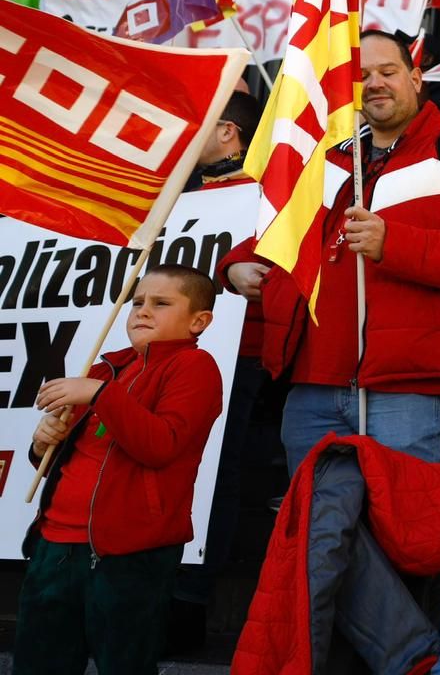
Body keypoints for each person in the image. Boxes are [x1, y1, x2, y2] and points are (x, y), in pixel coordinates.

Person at [223, 29, 440, 674]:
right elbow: (272, 233)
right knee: (323, 540)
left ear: (418, 78)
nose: (376, 84)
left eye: (389, 71)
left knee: (404, 540)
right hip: (311, 380)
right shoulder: (326, 161)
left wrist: (396, 244)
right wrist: (235, 270)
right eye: (363, 77)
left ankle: (422, 664)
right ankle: (404, 656)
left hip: (408, 386)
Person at [18, 265, 224, 674]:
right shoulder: (107, 367)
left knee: (125, 663)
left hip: (131, 552)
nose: (142, 312)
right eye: (137, 303)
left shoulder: (193, 366)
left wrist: (99, 394)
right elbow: (69, 456)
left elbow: (160, 446)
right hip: (55, 543)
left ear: (199, 321)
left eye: (161, 303)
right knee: (38, 663)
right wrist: (43, 442)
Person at [169, 89, 265, 649]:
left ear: (228, 131)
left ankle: (190, 602)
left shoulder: (261, 190)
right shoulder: (181, 190)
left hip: (237, 352)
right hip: (176, 349)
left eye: (197, 124)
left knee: (217, 471)